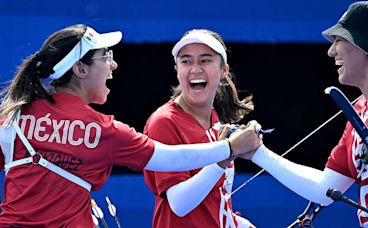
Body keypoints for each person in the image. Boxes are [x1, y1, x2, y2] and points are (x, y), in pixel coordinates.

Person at [0, 24, 262, 227]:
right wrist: (228, 148)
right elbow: (172, 158)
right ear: (80, 69)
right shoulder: (103, 131)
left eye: (206, 60)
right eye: (106, 56)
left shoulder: (13, 118)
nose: (113, 65)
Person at [242, 1, 368, 227]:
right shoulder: (360, 110)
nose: (330, 50)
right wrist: (257, 153)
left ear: (366, 45)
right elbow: (325, 189)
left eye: (339, 40)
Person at [143, 29, 256, 228]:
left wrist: (238, 223)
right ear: (177, 69)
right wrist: (228, 151)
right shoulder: (163, 122)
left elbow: (212, 202)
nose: (195, 69)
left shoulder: (214, 120)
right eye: (186, 61)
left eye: (205, 60)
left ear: (224, 70)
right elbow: (180, 204)